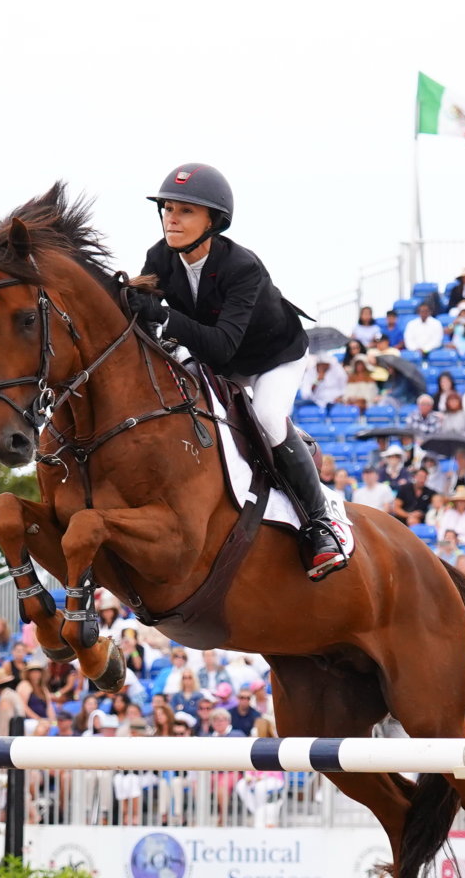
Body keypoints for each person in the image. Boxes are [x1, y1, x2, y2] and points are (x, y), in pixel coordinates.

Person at [125, 163, 344, 579]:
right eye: (168, 208)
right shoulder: (160, 256)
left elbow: (223, 342)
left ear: (214, 221)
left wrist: (166, 319)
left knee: (266, 417)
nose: (172, 217)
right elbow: (141, 306)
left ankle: (320, 525)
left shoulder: (242, 267)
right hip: (220, 361)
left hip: (273, 359)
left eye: (186, 211)